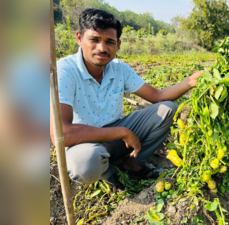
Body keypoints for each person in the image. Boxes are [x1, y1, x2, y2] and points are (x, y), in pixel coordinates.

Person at [50, 9, 202, 184]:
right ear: (79, 38)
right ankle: (109, 174)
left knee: (168, 109)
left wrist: (190, 81)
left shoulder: (118, 68)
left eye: (109, 42)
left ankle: (134, 163)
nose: (102, 48)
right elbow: (61, 134)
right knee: (84, 165)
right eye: (94, 40)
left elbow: (157, 95)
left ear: (118, 44)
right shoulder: (64, 71)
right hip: (85, 142)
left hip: (116, 137)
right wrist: (122, 131)